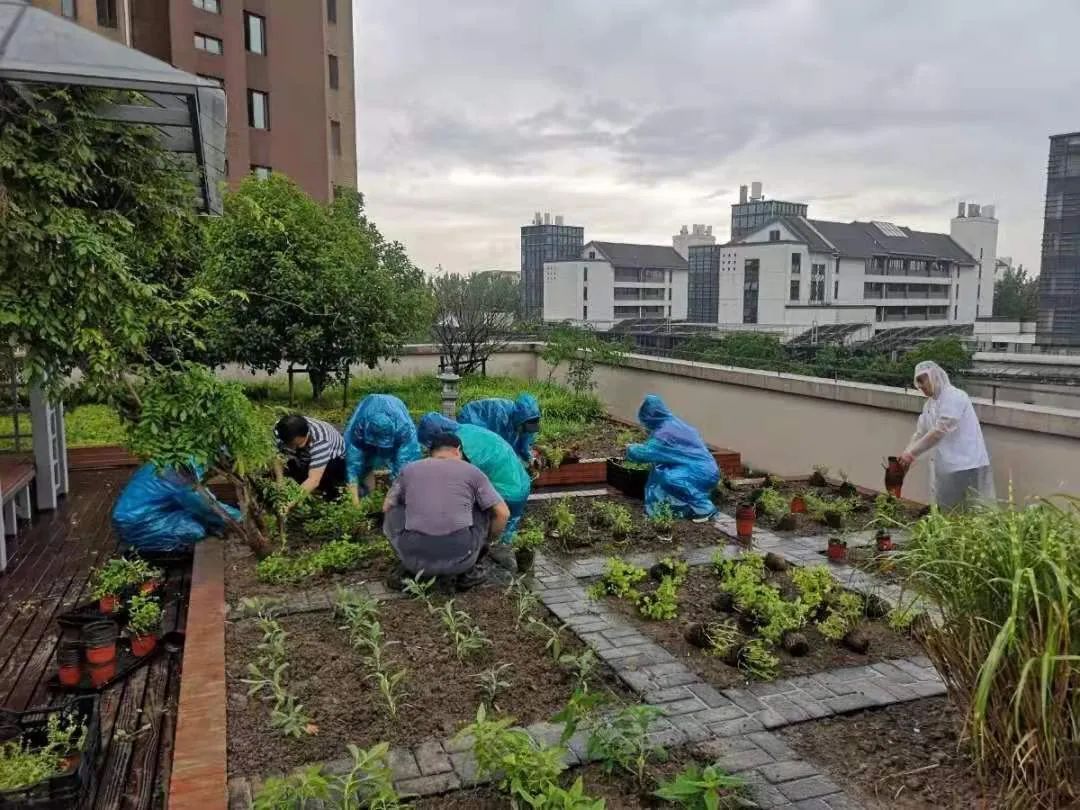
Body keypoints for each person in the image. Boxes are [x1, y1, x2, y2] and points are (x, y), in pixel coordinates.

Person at [382, 432, 511, 588]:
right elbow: (503, 514)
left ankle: (409, 559)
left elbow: (386, 506)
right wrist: (486, 540)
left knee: (394, 509)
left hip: (413, 561)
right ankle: (470, 569)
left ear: (431, 452)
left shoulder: (409, 470)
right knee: (482, 507)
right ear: (457, 450)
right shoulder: (472, 471)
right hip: (461, 559)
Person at [417, 412, 532, 549]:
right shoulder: (465, 430)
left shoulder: (465, 452)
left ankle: (489, 547)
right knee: (507, 528)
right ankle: (504, 547)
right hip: (520, 480)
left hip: (507, 489)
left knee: (488, 524)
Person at [900, 360, 994, 511]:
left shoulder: (954, 396)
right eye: (918, 384)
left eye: (922, 382)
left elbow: (940, 430)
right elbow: (921, 432)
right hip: (948, 467)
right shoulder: (929, 405)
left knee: (970, 513)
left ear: (934, 376)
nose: (921, 387)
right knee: (948, 512)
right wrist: (905, 455)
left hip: (967, 465)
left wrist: (912, 453)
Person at [112, 462, 241, 554]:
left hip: (135, 512)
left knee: (202, 518)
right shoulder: (184, 470)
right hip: (138, 521)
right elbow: (204, 504)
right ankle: (152, 547)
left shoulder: (180, 458)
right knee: (195, 530)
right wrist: (239, 518)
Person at [626, 394, 719, 521]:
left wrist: (630, 448)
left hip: (700, 473)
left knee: (669, 477)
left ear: (650, 417)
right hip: (706, 469)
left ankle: (705, 508)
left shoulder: (664, 433)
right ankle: (685, 506)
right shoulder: (673, 423)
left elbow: (646, 453)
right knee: (662, 469)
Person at [342, 393, 422, 505]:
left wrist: (390, 498)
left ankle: (405, 501)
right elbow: (353, 466)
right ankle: (365, 495)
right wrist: (355, 504)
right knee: (364, 462)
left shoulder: (403, 429)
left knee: (406, 472)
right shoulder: (359, 428)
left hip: (399, 421)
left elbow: (403, 466)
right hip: (367, 409)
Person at [273, 414, 347, 502]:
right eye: (290, 445)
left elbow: (313, 479)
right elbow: (276, 456)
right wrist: (280, 483)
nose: (292, 448)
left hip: (337, 459)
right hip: (309, 450)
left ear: (306, 435)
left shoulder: (321, 441)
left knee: (320, 479)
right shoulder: (280, 429)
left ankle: (330, 491)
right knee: (294, 466)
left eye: (296, 445)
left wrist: (288, 503)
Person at [457, 393, 541, 464]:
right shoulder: (500, 417)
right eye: (523, 430)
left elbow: (524, 443)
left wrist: (529, 458)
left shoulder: (528, 423)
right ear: (520, 421)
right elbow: (499, 444)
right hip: (472, 419)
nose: (524, 432)